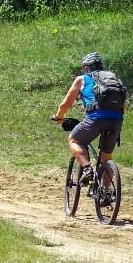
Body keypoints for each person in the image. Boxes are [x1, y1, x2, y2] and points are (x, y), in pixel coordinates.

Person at [51, 53, 126, 192]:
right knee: (106, 156)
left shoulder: (82, 79)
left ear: (86, 68)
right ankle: (106, 193)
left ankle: (87, 169)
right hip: (117, 119)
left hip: (95, 117)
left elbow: (66, 103)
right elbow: (122, 104)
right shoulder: (113, 79)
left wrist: (58, 116)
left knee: (74, 140)